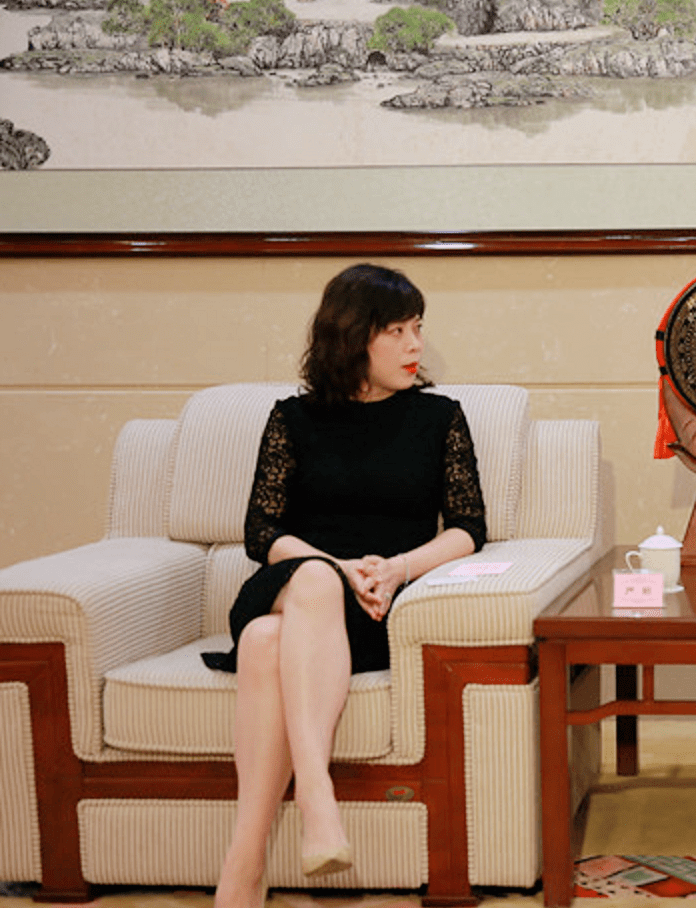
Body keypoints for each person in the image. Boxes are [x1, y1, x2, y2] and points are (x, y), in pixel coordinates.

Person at [202, 264, 487, 908]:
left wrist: (395, 568)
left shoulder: (438, 418)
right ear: (353, 337)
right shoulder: (293, 418)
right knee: (311, 583)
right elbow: (262, 530)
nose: (415, 345)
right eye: (397, 331)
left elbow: (469, 527)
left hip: (372, 606)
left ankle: (243, 868)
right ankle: (317, 798)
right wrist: (335, 567)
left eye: (418, 328)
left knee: (265, 644)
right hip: (298, 578)